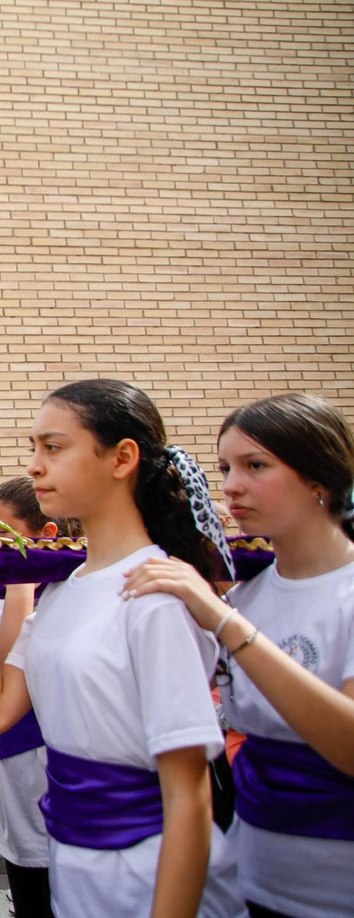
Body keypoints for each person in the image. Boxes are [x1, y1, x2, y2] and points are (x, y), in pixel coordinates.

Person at [0, 379, 244, 918]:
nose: (36, 467)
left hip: (150, 870)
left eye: (54, 447)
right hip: (74, 863)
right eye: (34, 449)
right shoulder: (64, 591)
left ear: (122, 458)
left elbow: (188, 794)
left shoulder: (157, 590)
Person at [122, 393, 354, 918]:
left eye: (256, 466)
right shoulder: (245, 597)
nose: (230, 486)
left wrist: (227, 624)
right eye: (225, 467)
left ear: (320, 478)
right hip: (252, 877)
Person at [0, 477, 58, 918]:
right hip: (12, 771)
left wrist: (19, 577)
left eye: (2, 532)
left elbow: (8, 671)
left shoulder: (45, 591)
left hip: (46, 762)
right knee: (24, 882)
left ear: (45, 535)